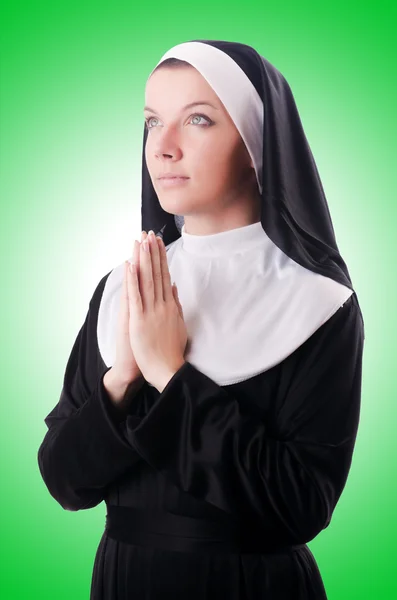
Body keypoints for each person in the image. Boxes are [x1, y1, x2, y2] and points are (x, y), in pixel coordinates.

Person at [37, 39, 365, 599]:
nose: (162, 147)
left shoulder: (319, 303)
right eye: (150, 122)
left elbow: (301, 506)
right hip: (121, 582)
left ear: (258, 142)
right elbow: (65, 481)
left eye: (197, 119)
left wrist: (171, 375)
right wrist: (122, 381)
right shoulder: (122, 289)